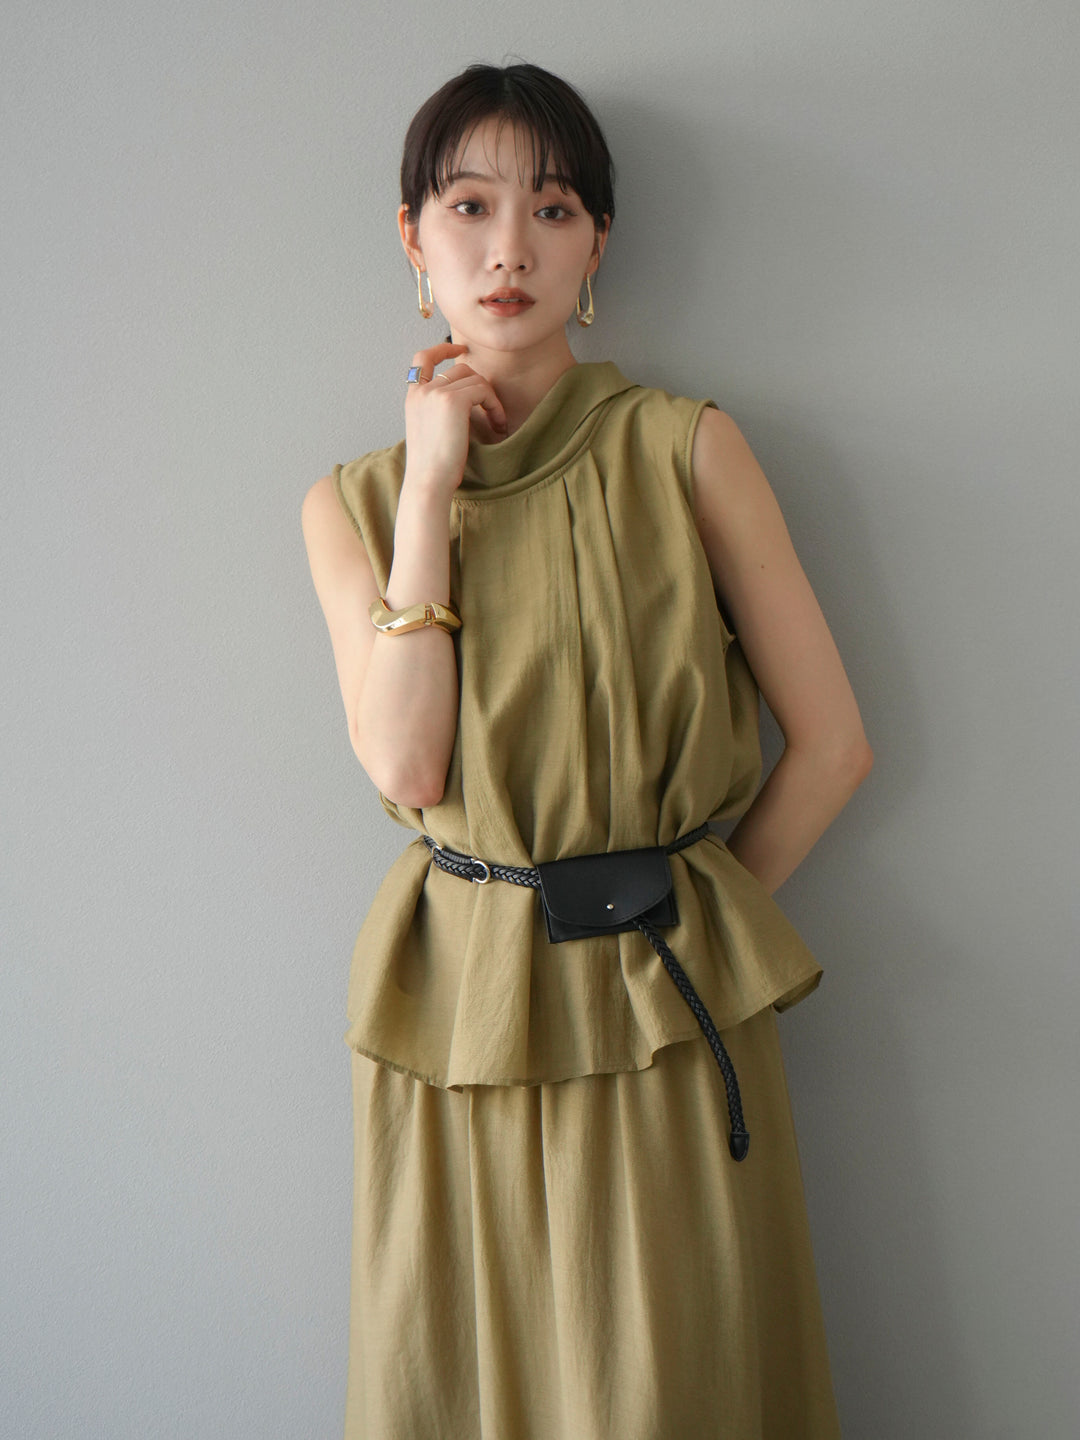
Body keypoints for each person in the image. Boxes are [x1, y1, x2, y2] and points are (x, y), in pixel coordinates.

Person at [302, 59, 871, 1440]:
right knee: (467, 1382)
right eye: (470, 207)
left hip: (660, 1004)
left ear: (597, 243)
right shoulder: (353, 505)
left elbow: (833, 746)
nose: (510, 249)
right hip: (459, 1017)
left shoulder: (687, 448)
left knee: (668, 1388)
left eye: (552, 209)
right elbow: (408, 770)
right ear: (412, 237)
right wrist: (431, 487)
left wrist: (686, 930)